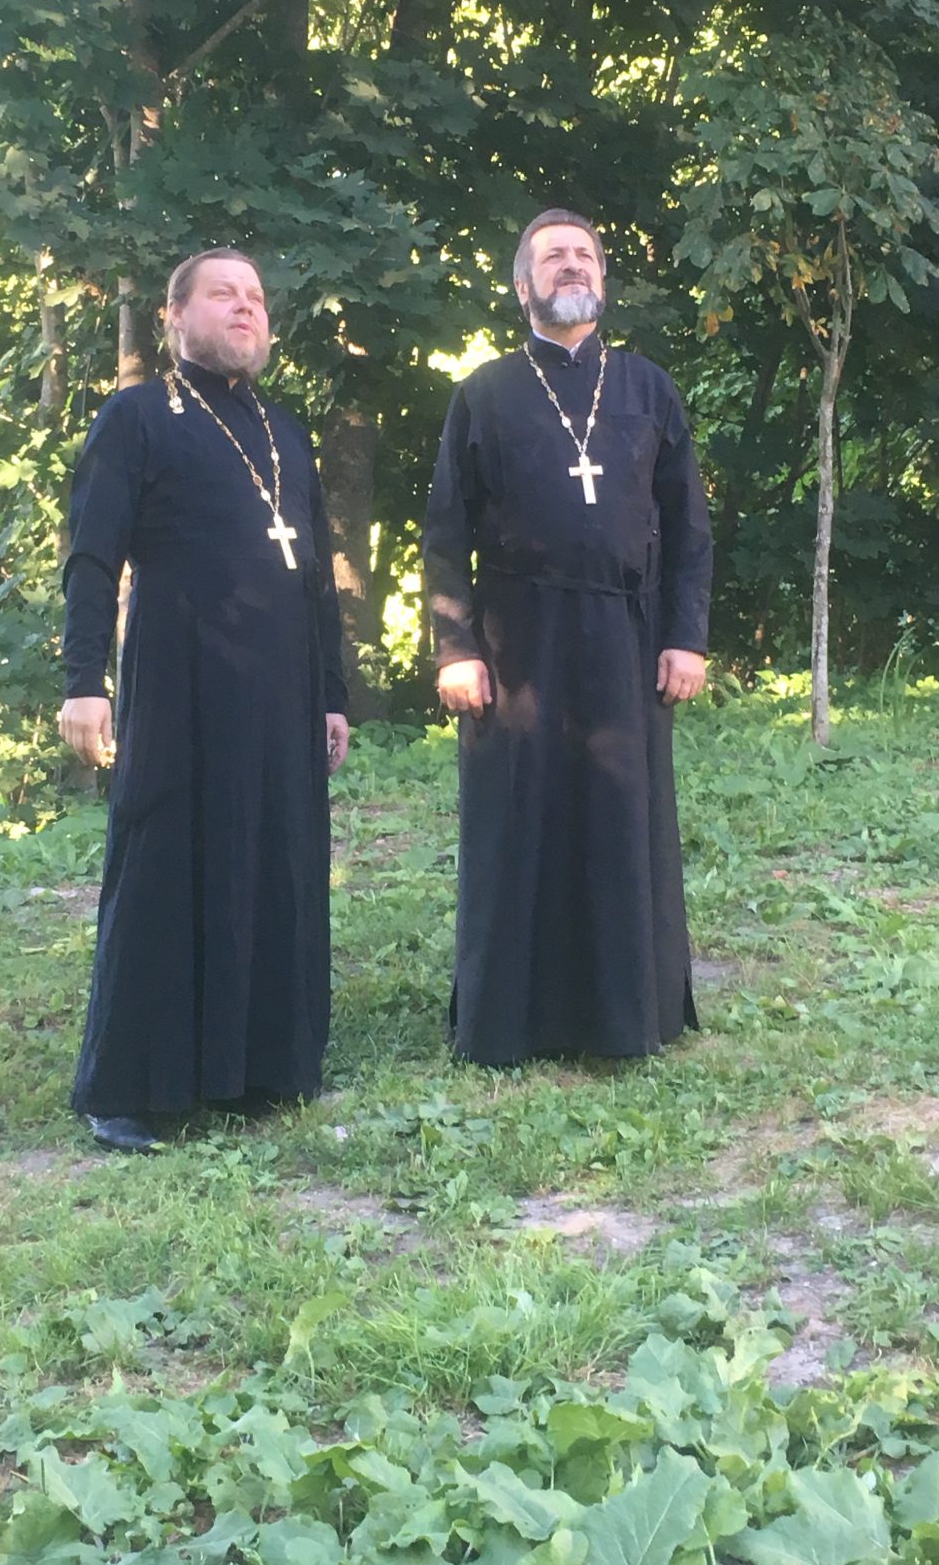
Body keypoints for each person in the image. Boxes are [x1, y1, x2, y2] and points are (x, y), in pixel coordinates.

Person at [57, 249, 350, 1152]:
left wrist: (332, 695)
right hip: (179, 679)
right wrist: (83, 682)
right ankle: (131, 1089)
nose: (246, 308)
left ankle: (260, 1068)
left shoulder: (284, 429)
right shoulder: (138, 416)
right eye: (224, 294)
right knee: (164, 864)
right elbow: (92, 554)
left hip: (282, 691)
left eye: (256, 297)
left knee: (274, 862)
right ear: (174, 316)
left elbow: (317, 576)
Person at [423, 209, 712, 1067]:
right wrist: (456, 649)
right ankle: (513, 1020)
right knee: (519, 820)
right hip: (517, 642)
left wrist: (686, 636)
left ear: (603, 279)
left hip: (627, 634)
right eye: (553, 256)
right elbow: (446, 531)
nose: (573, 264)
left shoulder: (648, 389)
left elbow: (688, 527)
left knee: (620, 817)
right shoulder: (484, 393)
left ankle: (625, 1015)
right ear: (523, 286)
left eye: (585, 253)